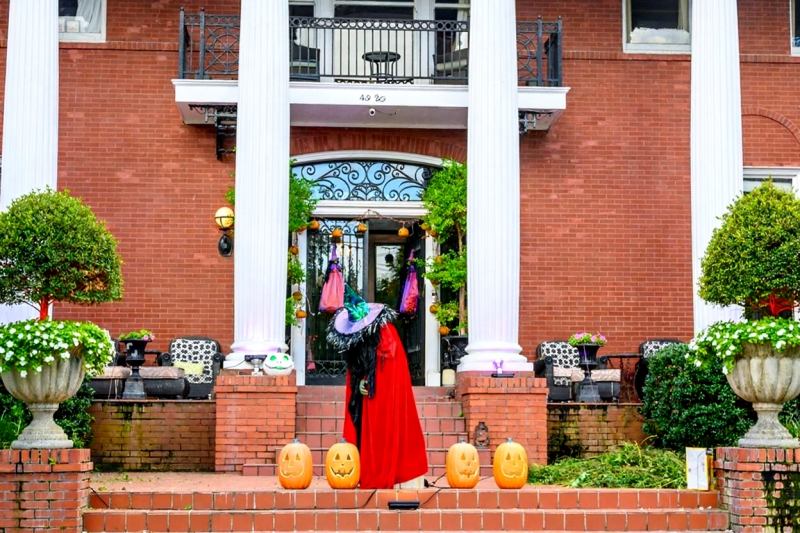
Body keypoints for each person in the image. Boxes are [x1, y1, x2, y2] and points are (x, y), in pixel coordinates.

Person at [326, 285, 428, 489]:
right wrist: (359, 383)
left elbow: (387, 364)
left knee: (384, 426)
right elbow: (357, 366)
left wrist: (372, 382)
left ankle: (386, 473)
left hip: (382, 397)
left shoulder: (385, 333)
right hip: (364, 397)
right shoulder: (359, 339)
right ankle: (365, 470)